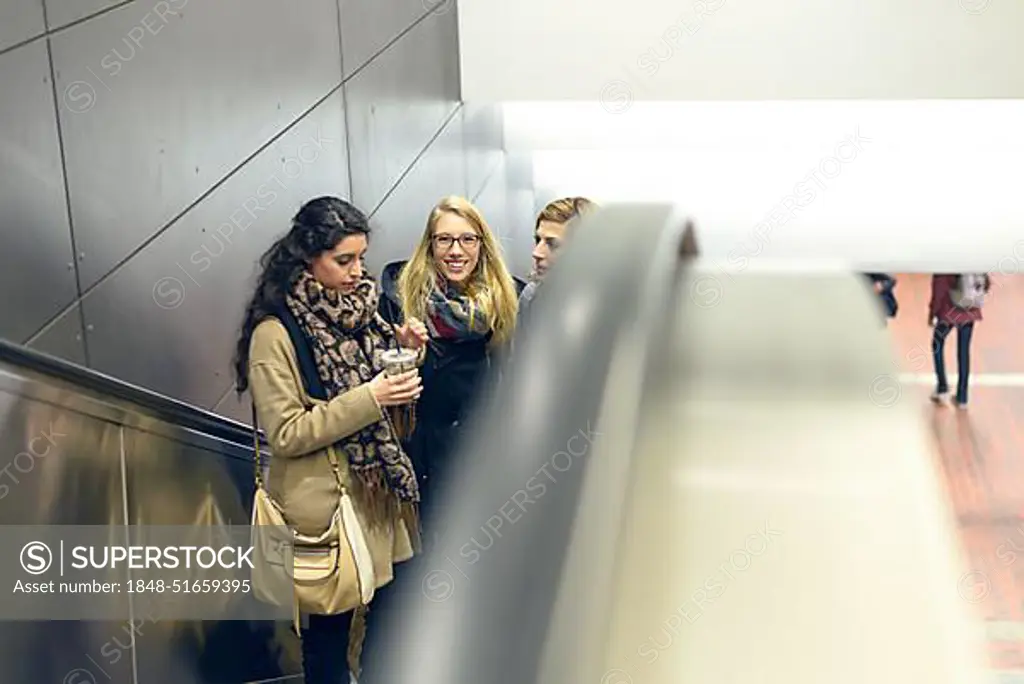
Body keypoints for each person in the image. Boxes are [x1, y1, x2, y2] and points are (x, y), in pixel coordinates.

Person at [232, 196, 429, 684]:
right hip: (324, 509)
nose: (357, 271)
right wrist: (370, 397)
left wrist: (404, 354)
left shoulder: (360, 312)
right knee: (328, 642)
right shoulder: (274, 333)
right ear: (308, 256)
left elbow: (377, 386)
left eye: (361, 257)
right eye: (344, 259)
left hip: (374, 495)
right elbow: (287, 431)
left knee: (389, 621)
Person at [385, 196, 519, 527]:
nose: (456, 251)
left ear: (481, 245)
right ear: (430, 245)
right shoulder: (399, 300)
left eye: (467, 239)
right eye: (444, 239)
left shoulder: (507, 300)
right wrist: (407, 354)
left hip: (484, 457)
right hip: (421, 460)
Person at [518, 197, 597, 326]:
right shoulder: (532, 296)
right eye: (538, 240)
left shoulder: (619, 305)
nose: (536, 253)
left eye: (553, 244)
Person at [928, 273, 991, 409]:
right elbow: (985, 284)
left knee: (937, 344)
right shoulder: (971, 259)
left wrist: (932, 313)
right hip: (970, 311)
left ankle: (942, 388)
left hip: (948, 311)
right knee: (964, 352)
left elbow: (939, 289)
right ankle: (962, 397)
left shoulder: (944, 263)